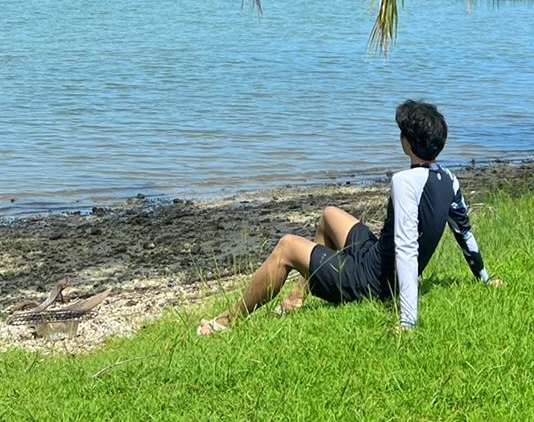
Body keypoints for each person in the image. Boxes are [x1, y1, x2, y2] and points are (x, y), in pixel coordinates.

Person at [198, 99, 501, 334]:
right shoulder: (448, 178)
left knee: (288, 246)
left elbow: (408, 249)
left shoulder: (404, 182)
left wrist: (408, 319)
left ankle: (227, 321)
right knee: (329, 215)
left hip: (372, 281)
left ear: (406, 143)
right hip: (376, 257)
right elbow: (464, 234)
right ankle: (296, 298)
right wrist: (484, 279)